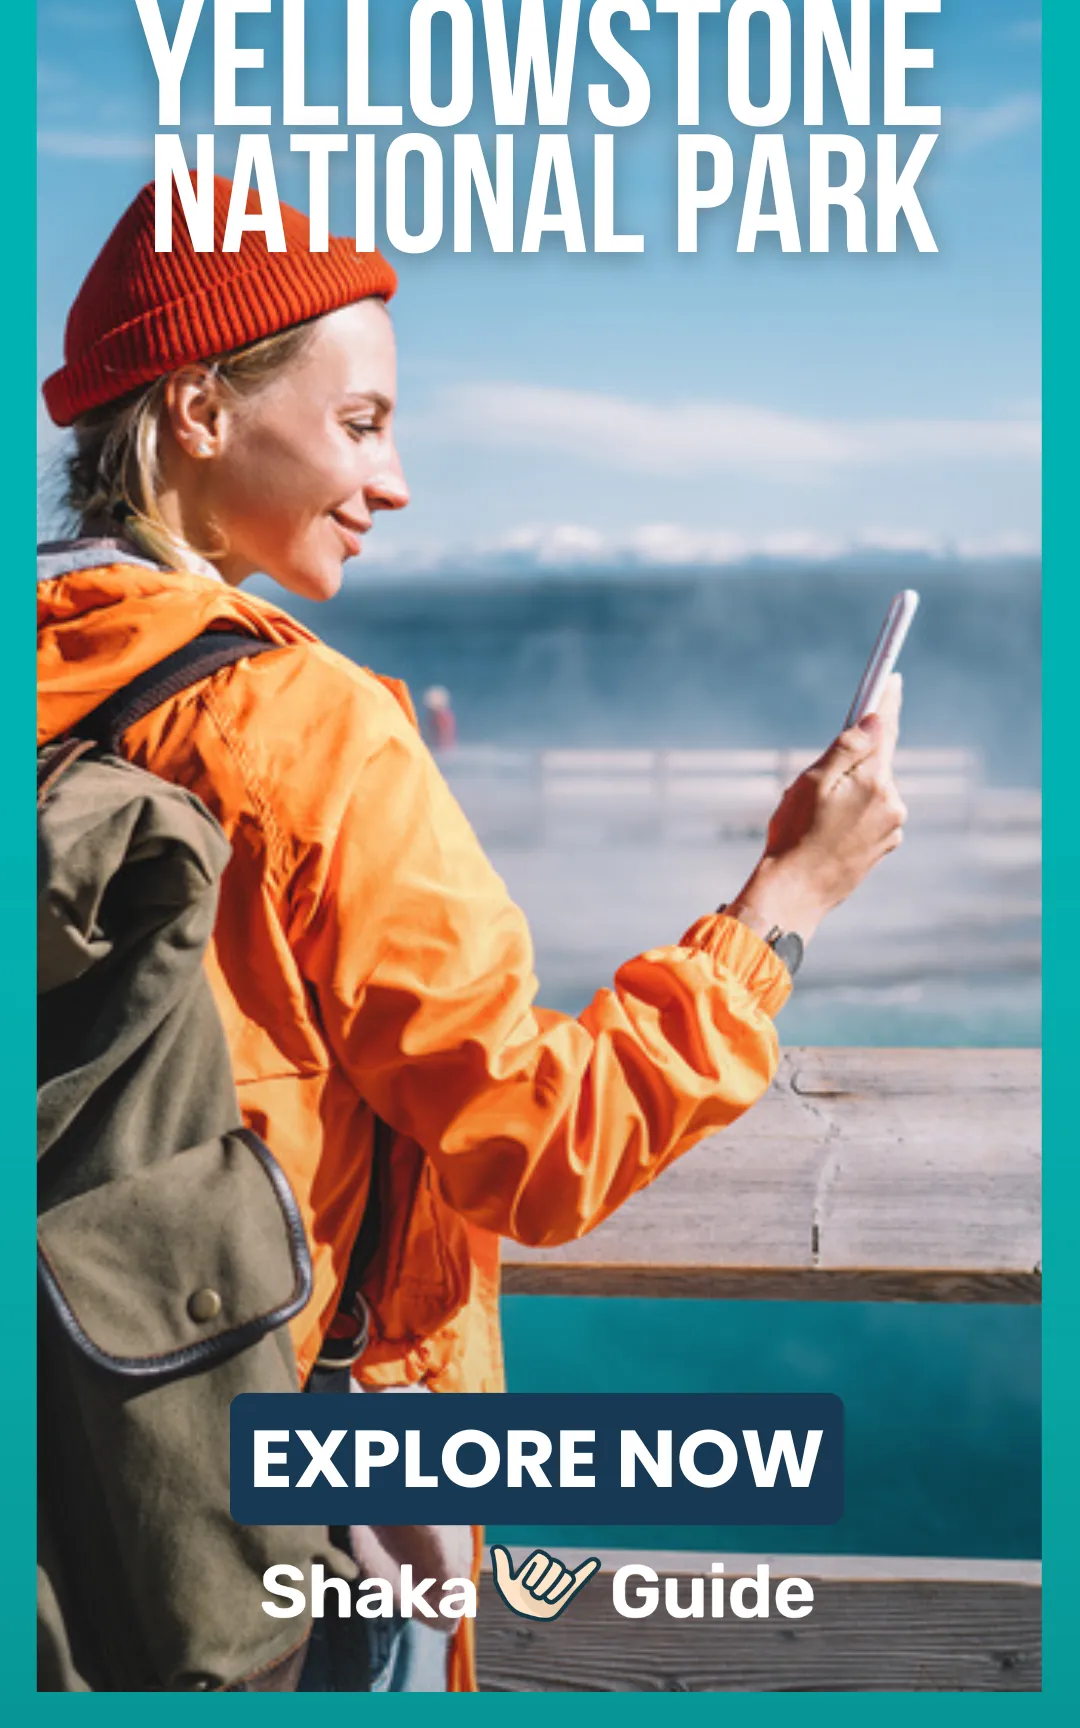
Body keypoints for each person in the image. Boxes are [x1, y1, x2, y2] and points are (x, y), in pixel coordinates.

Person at [37, 175, 906, 1692]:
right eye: (362, 423)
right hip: (296, 1520)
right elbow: (535, 1142)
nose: (396, 481)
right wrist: (783, 906)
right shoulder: (308, 729)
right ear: (198, 410)